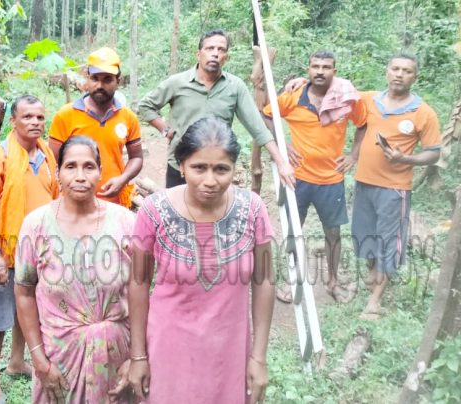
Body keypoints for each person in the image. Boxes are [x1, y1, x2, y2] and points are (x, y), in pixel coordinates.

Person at [128, 117, 275, 403]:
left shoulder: (253, 209)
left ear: (234, 168)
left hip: (229, 349)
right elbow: (138, 282)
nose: (210, 180)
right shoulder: (154, 211)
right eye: (199, 168)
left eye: (221, 169)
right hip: (169, 348)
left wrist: (258, 357)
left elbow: (265, 280)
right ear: (181, 166)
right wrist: (137, 356)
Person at [15, 136, 136, 403]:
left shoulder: (126, 223)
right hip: (59, 362)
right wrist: (39, 359)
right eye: (71, 166)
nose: (80, 176)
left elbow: (144, 297)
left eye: (88, 167)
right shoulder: (36, 225)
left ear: (100, 172)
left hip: (119, 358)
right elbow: (24, 293)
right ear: (58, 173)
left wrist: (137, 358)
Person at [262, 50, 368, 303]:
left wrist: (353, 156)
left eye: (326, 66)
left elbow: (363, 124)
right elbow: (265, 115)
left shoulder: (345, 98)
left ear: (335, 70)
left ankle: (332, 282)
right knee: (293, 231)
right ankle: (292, 280)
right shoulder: (294, 96)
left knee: (332, 233)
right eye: (315, 66)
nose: (320, 71)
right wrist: (281, 142)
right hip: (296, 179)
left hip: (331, 180)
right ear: (308, 69)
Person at [0, 95, 59, 403]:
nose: (35, 122)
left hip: (40, 252)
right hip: (8, 253)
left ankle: (16, 361)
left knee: (30, 310)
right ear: (13, 121)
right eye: (27, 117)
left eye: (39, 117)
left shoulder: (46, 154)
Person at [137, 29, 295, 190]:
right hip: (181, 165)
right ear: (198, 54)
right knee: (177, 212)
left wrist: (281, 162)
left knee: (214, 214)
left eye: (221, 50)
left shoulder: (235, 87)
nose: (215, 54)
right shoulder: (177, 82)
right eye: (210, 48)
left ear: (226, 57)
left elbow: (257, 127)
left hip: (218, 168)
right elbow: (145, 106)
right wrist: (165, 130)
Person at [349, 54, 441, 320]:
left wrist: (406, 158)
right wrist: (298, 82)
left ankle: (375, 301)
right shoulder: (369, 100)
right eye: (395, 68)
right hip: (364, 181)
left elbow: (433, 153)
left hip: (395, 188)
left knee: (388, 241)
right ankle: (373, 271)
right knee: (364, 234)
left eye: (407, 71)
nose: (399, 74)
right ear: (387, 71)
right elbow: (338, 90)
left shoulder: (423, 112)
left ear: (415, 77)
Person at [49, 47, 143, 208]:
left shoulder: (128, 117)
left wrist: (123, 179)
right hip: (72, 203)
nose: (100, 85)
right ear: (87, 78)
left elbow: (137, 157)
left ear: (118, 82)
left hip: (114, 204)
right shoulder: (65, 115)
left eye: (107, 79)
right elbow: (52, 161)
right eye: (95, 78)